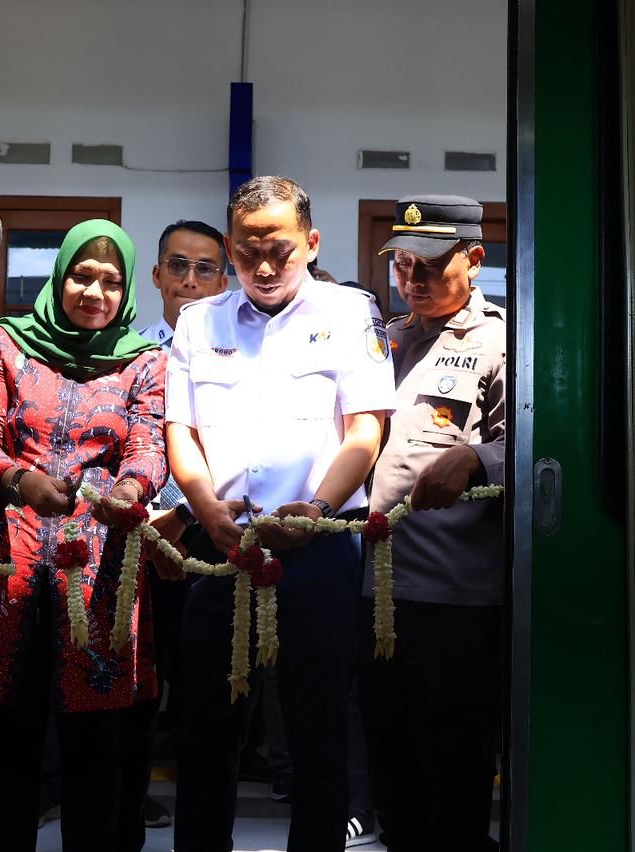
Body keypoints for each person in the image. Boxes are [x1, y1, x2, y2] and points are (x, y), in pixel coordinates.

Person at [165, 175, 395, 852]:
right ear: (230, 246)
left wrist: (319, 508)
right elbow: (181, 432)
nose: (263, 267)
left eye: (280, 251)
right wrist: (204, 509)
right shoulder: (199, 322)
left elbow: (366, 430)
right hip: (222, 547)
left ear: (311, 242)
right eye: (246, 253)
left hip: (318, 550)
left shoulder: (351, 314)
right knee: (207, 738)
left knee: (318, 736)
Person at [0, 219, 167, 852]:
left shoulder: (145, 361)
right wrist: (18, 479)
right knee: (11, 740)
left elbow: (149, 447)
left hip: (101, 574)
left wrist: (130, 491)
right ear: (60, 277)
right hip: (10, 566)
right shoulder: (6, 345)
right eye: (82, 276)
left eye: (111, 282)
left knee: (96, 747)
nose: (95, 292)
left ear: (126, 291)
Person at [360, 194, 506, 852]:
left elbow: (541, 445)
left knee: (455, 768)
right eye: (402, 265)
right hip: (374, 591)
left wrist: (476, 457)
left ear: (474, 259)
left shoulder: (502, 342)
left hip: (453, 597)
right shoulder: (384, 342)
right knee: (391, 767)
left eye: (429, 265)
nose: (413, 279)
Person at [136, 219, 230, 830]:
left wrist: (187, 514)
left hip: (211, 536)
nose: (190, 280)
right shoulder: (134, 352)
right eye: (178, 265)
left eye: (205, 268)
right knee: (136, 680)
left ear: (223, 281)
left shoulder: (239, 353)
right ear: (157, 275)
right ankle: (129, 793)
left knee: (205, 689)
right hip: (140, 539)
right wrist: (151, 525)